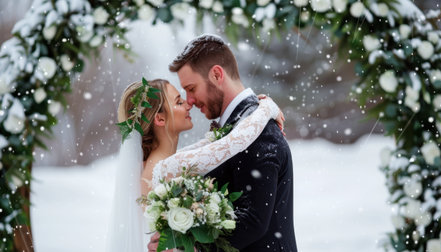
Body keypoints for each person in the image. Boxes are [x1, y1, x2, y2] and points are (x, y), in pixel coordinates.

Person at [149, 34, 298, 251]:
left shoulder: (259, 132)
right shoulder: (242, 126)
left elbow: (253, 221)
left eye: (191, 89)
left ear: (217, 74)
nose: (189, 101)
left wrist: (186, 246)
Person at [108, 77, 283, 251]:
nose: (188, 104)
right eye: (178, 102)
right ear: (160, 119)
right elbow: (233, 143)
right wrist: (267, 108)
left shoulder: (166, 161)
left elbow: (212, 144)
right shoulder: (163, 168)